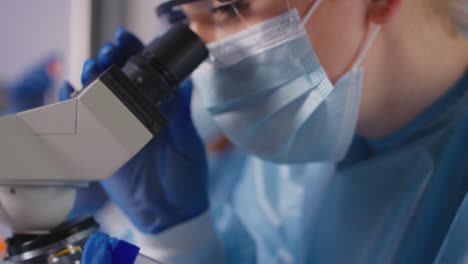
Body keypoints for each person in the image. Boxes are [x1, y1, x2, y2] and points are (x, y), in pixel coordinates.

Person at [60, 0, 468, 263]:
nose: (202, 51)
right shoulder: (289, 160)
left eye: (228, 8)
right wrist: (178, 237)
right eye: (183, 18)